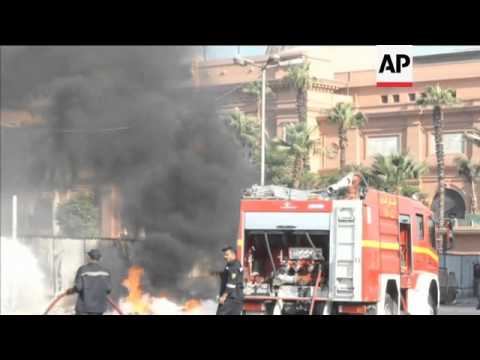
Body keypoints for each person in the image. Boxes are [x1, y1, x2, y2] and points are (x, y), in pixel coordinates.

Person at [65, 249, 112, 315]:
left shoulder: (82, 270)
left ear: (89, 257)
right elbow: (108, 289)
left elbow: (78, 287)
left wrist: (70, 291)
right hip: (98, 309)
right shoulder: (106, 272)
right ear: (100, 258)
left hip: (83, 308)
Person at [216, 246, 244, 315]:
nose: (225, 257)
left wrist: (223, 297)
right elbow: (228, 275)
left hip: (231, 298)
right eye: (224, 255)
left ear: (233, 254)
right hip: (235, 299)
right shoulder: (234, 264)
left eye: (227, 255)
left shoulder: (233, 266)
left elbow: (231, 284)